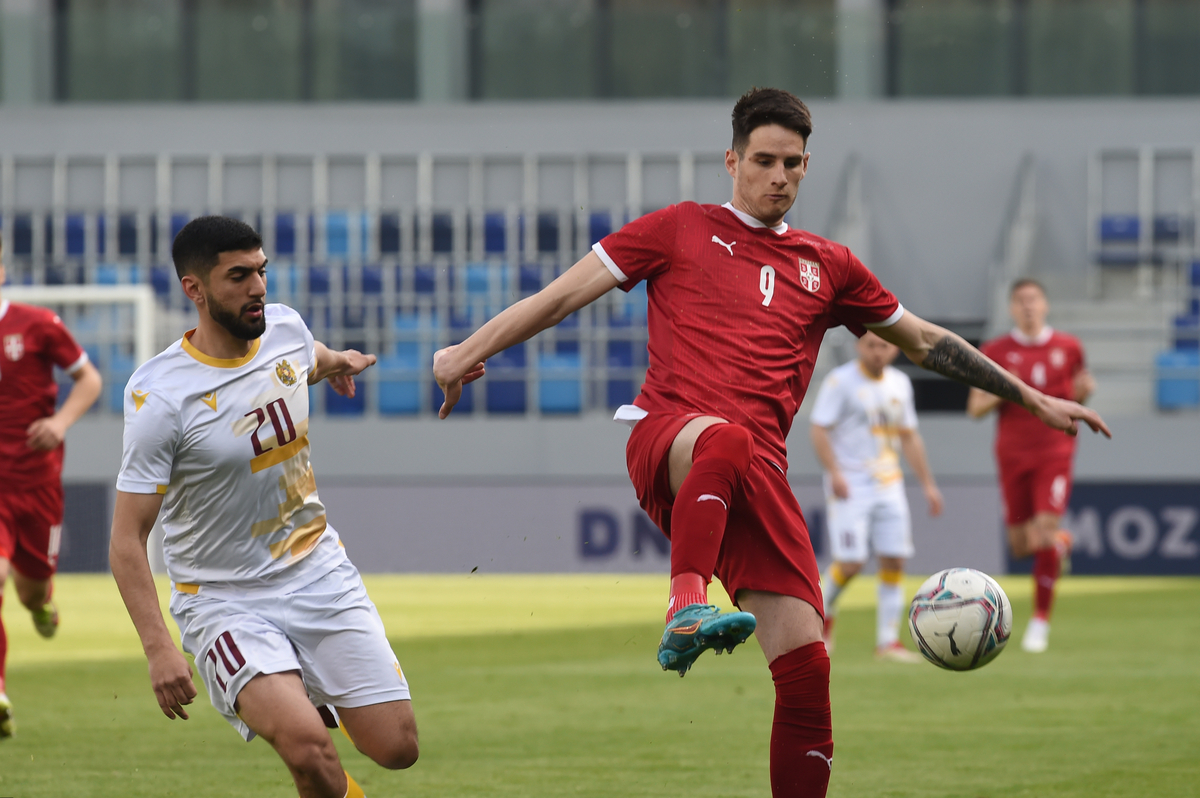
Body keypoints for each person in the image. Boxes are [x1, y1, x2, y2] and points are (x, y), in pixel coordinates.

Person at [432, 88, 1109, 798]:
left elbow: (927, 341)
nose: (777, 175)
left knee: (809, 668)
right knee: (726, 438)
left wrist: (1029, 396)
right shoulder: (677, 229)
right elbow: (561, 296)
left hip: (757, 475)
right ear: (732, 161)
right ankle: (685, 602)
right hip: (672, 437)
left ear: (807, 167)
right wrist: (462, 354)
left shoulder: (830, 266)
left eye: (792, 163)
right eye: (763, 160)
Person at [109, 216, 417, 798]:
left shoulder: (285, 330)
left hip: (317, 572)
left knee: (397, 748)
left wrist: (340, 363)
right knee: (310, 753)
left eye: (261, 271)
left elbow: (309, 358)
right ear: (194, 289)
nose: (257, 287)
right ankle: (297, 708)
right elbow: (127, 538)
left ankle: (302, 689)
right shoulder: (161, 398)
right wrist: (157, 648)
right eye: (238, 276)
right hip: (224, 600)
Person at [0, 238, 103, 739]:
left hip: (36, 484)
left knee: (29, 589)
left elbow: (89, 380)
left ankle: (41, 603)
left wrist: (60, 423)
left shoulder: (36, 324)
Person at [968, 278, 1093, 654]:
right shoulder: (995, 351)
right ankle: (1061, 545)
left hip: (1054, 450)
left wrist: (1083, 393)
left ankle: (1039, 623)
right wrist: (1009, 388)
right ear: (1011, 308)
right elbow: (975, 408)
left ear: (1045, 305)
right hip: (1012, 452)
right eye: (1020, 300)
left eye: (1034, 299)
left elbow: (1078, 390)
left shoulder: (1069, 347)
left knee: (1042, 532)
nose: (1028, 306)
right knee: (1022, 546)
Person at [810, 331, 943, 662]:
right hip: (851, 485)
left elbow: (909, 436)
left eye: (883, 345)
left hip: (889, 484)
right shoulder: (840, 382)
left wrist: (927, 483)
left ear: (895, 348)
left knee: (894, 558)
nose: (877, 352)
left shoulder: (899, 383)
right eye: (870, 345)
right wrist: (835, 472)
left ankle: (886, 642)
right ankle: (823, 617)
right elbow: (818, 428)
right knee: (852, 562)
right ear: (859, 346)